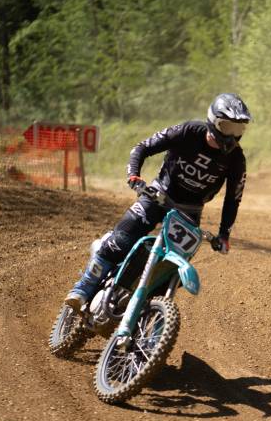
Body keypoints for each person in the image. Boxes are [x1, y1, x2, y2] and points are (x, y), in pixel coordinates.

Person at [64, 93, 251, 312]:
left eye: (239, 130)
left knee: (169, 269)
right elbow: (142, 148)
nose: (232, 135)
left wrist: (224, 236)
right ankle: (82, 289)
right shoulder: (188, 131)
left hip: (190, 212)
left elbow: (233, 199)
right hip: (158, 195)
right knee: (120, 242)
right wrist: (134, 176)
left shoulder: (237, 160)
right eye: (228, 127)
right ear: (213, 121)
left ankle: (142, 316)